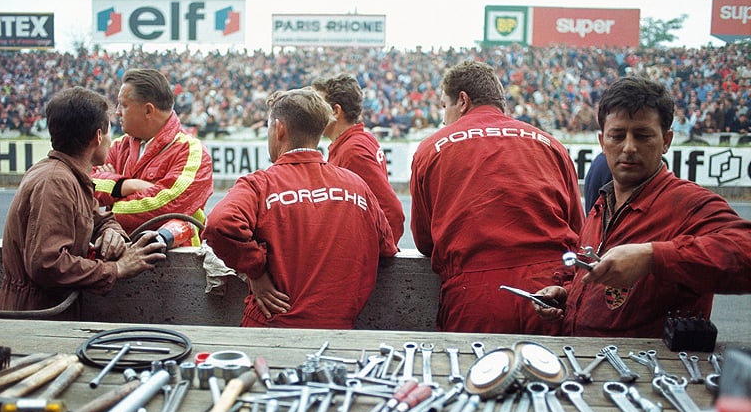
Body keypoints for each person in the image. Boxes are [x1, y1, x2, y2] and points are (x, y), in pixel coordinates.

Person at [534, 76, 751, 338]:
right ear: (603, 143)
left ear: (666, 140)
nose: (628, 147)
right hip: (586, 364)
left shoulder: (690, 203)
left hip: (650, 373)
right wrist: (568, 295)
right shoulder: (602, 205)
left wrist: (652, 257)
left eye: (642, 135)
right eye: (617, 135)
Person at [410, 60, 584, 334]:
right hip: (550, 290)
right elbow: (579, 229)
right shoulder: (552, 144)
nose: (444, 119)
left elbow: (424, 240)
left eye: (445, 106)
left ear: (463, 101)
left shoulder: (431, 148)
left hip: (475, 294)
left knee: (471, 374)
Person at [203, 87, 398, 329]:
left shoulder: (260, 184)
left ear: (279, 129)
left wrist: (255, 271)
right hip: (337, 333)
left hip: (271, 329)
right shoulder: (357, 185)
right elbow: (387, 247)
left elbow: (219, 224)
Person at [0, 87, 166, 319]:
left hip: (47, 313)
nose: (111, 138)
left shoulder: (68, 176)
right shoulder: (55, 182)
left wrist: (112, 231)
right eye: (109, 131)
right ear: (98, 136)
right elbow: (47, 264)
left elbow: (98, 218)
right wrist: (116, 268)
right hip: (36, 318)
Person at [91, 68, 213, 243]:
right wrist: (129, 185)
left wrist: (107, 210)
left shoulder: (192, 151)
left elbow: (167, 206)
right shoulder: (118, 146)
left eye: (123, 105)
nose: (117, 112)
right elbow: (85, 185)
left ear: (148, 110)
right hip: (121, 257)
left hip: (179, 265)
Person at [312, 74, 405, 244]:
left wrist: (376, 256)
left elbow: (393, 212)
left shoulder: (352, 151)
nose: (314, 111)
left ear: (335, 111)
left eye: (319, 105)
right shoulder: (358, 140)